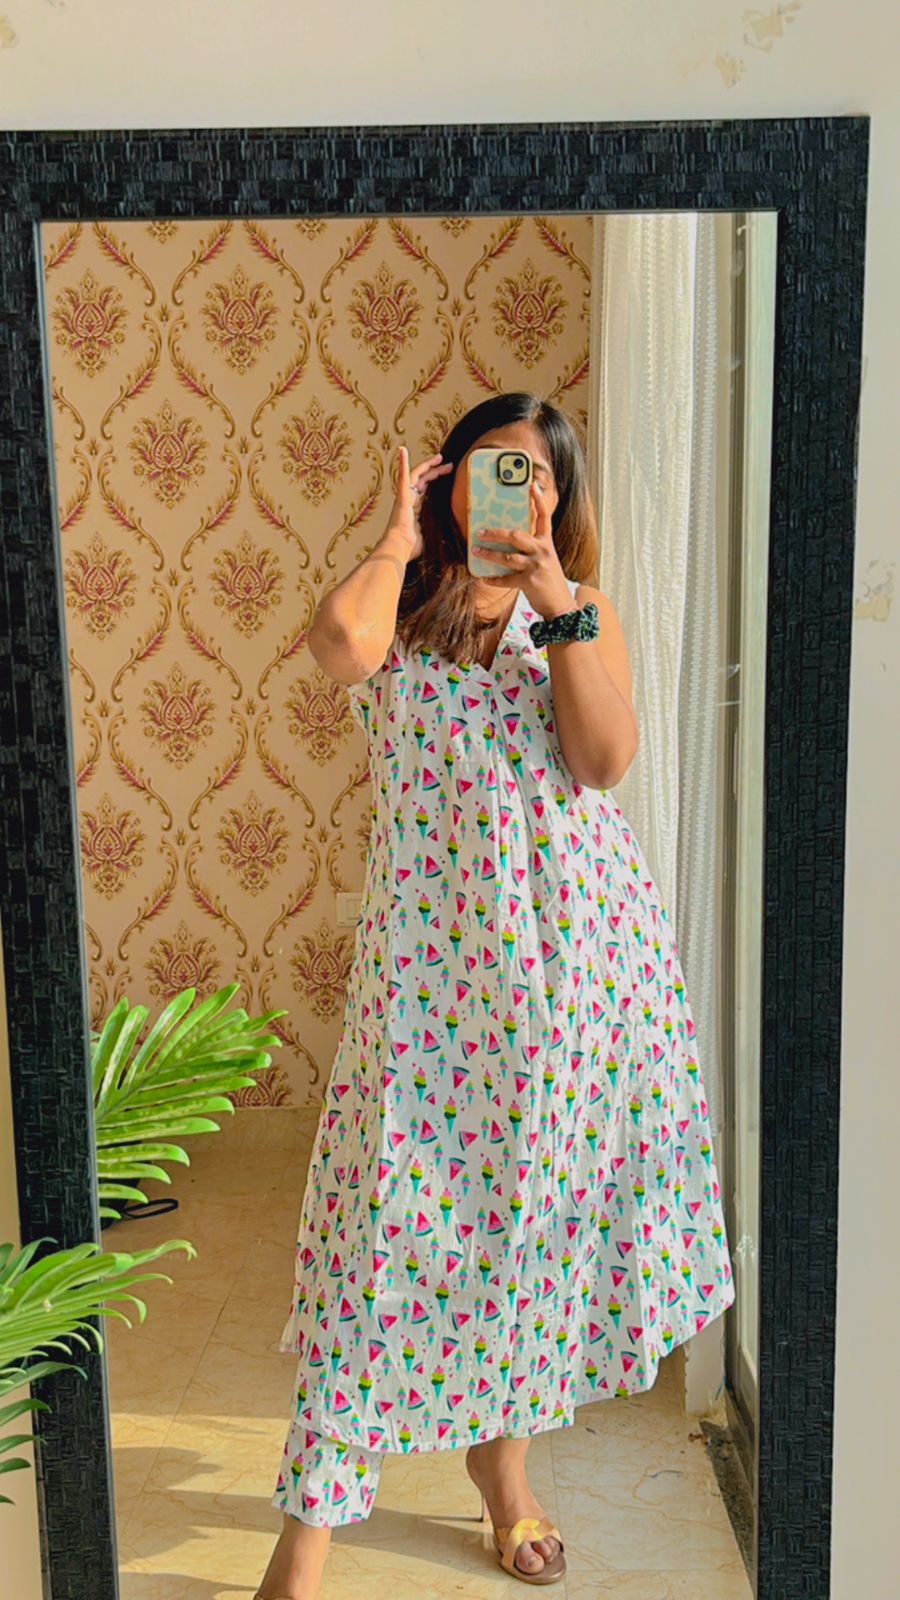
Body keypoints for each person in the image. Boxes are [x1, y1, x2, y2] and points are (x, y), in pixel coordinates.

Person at [254, 393, 736, 1599]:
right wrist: (395, 536)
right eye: (488, 466)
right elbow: (334, 645)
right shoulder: (402, 609)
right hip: (426, 994)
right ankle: (304, 1545)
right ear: (448, 481)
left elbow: (603, 762)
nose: (513, 490)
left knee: (531, 1232)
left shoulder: (578, 614)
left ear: (560, 501)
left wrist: (555, 598)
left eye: (536, 475)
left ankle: (504, 1472)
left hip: (574, 982)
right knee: (378, 1244)